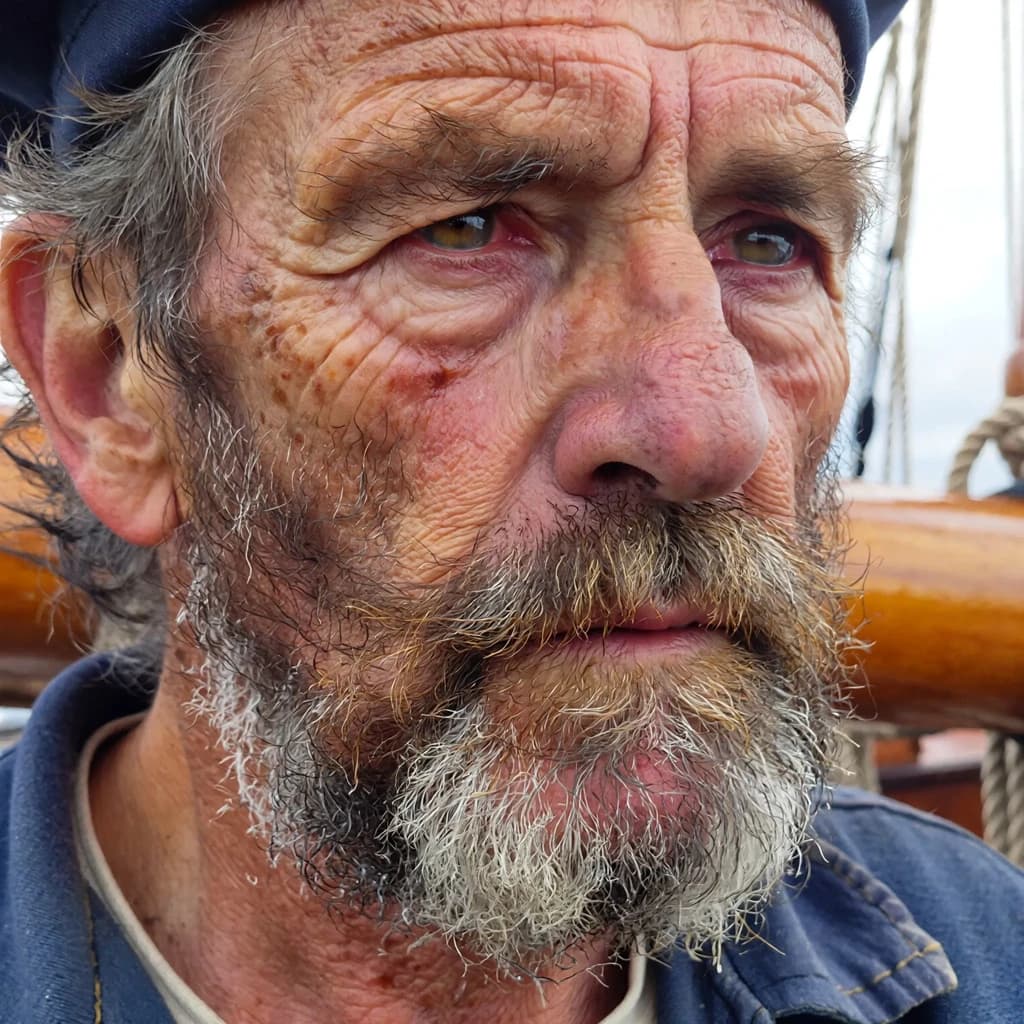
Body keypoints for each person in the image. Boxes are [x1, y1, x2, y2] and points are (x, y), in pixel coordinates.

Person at [0, 1, 1021, 1021]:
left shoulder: (988, 954)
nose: (708, 429)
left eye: (767, 244)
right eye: (466, 230)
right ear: (109, 376)